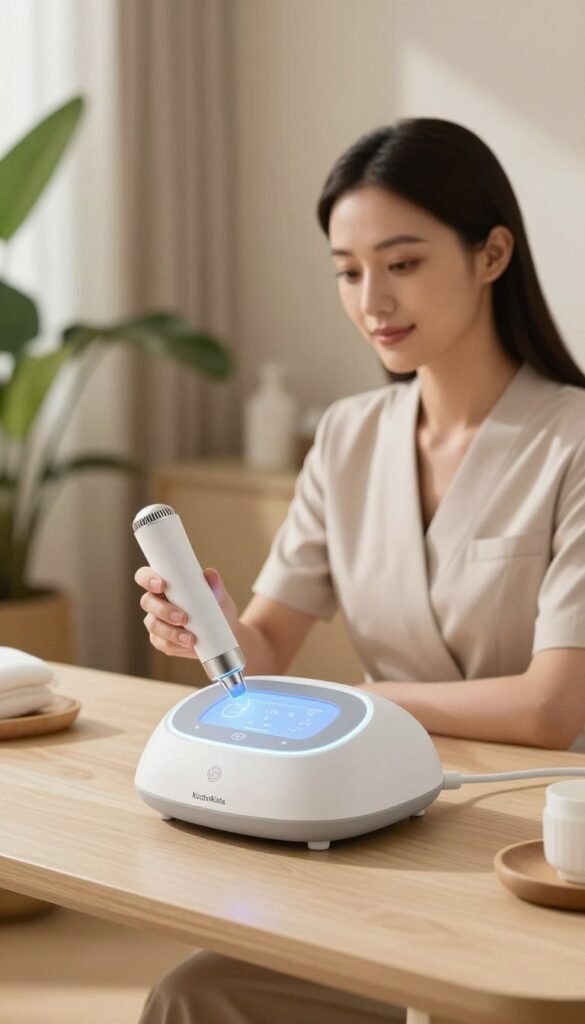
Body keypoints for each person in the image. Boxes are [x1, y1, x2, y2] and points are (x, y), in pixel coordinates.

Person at [134, 118, 585, 1024]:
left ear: (491, 253)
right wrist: (210, 628)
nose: (372, 298)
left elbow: (550, 709)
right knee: (196, 994)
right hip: (371, 822)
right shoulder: (346, 437)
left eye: (403, 262)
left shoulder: (571, 441)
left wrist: (370, 700)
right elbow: (264, 651)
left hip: (538, 848)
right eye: (347, 270)